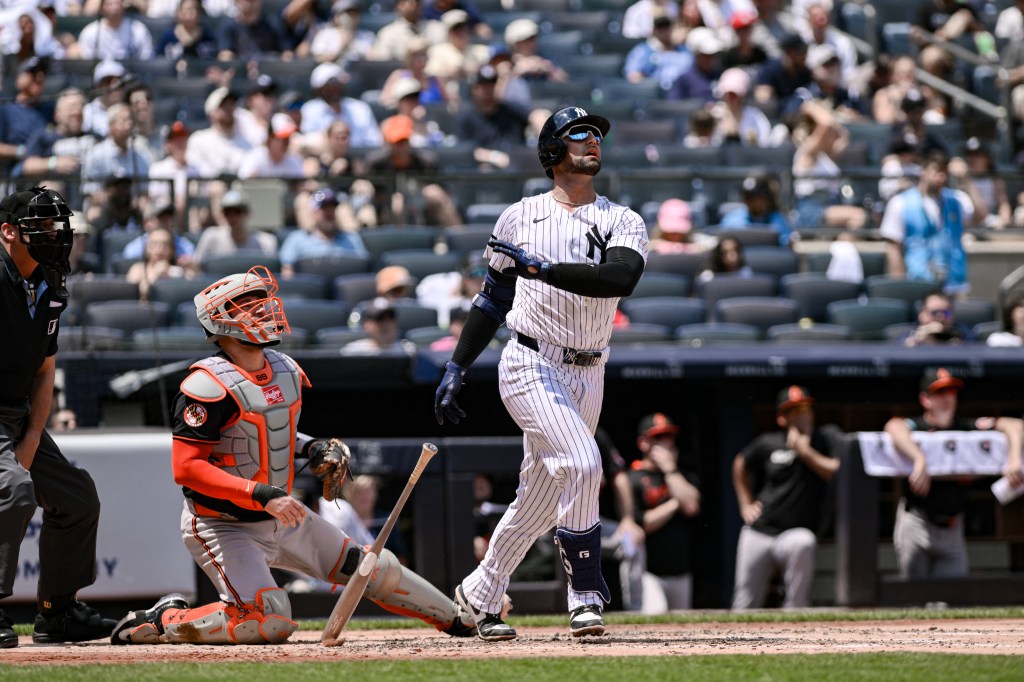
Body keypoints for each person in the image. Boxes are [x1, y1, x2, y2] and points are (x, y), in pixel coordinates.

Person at [110, 265, 476, 644]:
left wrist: (313, 447)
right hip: (223, 523)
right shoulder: (205, 385)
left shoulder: (284, 369)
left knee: (370, 567)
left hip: (282, 516)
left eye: (261, 301)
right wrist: (263, 495)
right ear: (219, 321)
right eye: (246, 305)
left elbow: (270, 433)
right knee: (266, 620)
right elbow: (186, 468)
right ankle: (163, 619)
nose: (261, 309)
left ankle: (457, 619)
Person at [433, 107, 648, 640]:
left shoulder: (623, 219)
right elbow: (491, 299)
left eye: (598, 133)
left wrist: (544, 270)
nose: (593, 141)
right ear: (553, 151)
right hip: (531, 358)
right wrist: (458, 364)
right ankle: (586, 595)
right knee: (582, 461)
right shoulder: (519, 216)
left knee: (539, 499)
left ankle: (480, 592)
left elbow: (619, 277)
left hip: (589, 367)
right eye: (579, 134)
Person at [0, 187, 116, 648]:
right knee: (11, 487)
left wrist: (29, 439)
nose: (54, 234)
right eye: (41, 226)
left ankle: (57, 612)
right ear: (8, 232)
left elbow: (46, 371)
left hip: (16, 412)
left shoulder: (47, 281)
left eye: (56, 225)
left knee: (77, 497)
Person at [885, 368, 1023, 578]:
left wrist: (1014, 458)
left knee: (950, 600)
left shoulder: (966, 428)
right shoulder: (918, 426)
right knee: (913, 595)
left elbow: (1014, 424)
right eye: (940, 393)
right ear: (925, 399)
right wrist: (919, 458)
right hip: (917, 521)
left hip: (952, 525)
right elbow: (893, 426)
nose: (947, 398)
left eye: (951, 392)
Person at [731, 386, 843, 609]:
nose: (801, 415)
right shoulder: (769, 441)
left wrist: (805, 451)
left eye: (805, 409)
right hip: (761, 529)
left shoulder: (826, 437)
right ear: (782, 418)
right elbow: (740, 464)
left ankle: (794, 613)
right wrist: (745, 503)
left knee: (804, 542)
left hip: (795, 531)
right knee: (745, 603)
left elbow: (838, 473)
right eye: (794, 411)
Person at [879, 150, 980, 295]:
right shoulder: (900, 203)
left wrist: (966, 179)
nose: (941, 177)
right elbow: (893, 248)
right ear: (923, 171)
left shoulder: (957, 200)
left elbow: (980, 216)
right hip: (918, 283)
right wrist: (900, 286)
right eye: (936, 171)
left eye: (945, 172)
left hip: (955, 284)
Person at [628, 413, 701, 612]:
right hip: (648, 571)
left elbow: (692, 506)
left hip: (681, 570)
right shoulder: (632, 477)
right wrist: (675, 503)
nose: (666, 442)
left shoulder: (682, 474)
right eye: (658, 437)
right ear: (643, 443)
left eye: (669, 436)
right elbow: (642, 525)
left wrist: (670, 469)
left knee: (682, 629)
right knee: (654, 615)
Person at [719, 175, 793, 246]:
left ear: (765, 198)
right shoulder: (732, 219)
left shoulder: (778, 220)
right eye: (747, 196)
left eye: (753, 197)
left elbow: (786, 244)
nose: (748, 200)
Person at [902, 292, 975, 347]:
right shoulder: (911, 334)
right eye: (934, 313)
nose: (941, 317)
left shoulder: (963, 333)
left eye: (946, 313)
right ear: (922, 314)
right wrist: (917, 341)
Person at [341, 297, 409, 355]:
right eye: (380, 319)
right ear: (366, 325)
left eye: (389, 319)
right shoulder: (353, 352)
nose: (385, 325)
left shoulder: (407, 351)